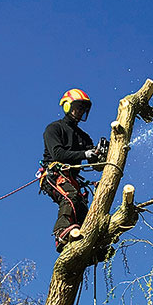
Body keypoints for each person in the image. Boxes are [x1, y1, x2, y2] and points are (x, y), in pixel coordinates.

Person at [40, 88, 103, 252]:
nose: (80, 111)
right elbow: (57, 153)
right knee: (70, 197)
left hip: (73, 180)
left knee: (83, 210)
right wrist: (85, 153)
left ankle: (91, 248)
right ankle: (61, 233)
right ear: (67, 105)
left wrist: (99, 154)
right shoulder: (54, 128)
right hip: (55, 175)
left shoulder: (84, 137)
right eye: (78, 106)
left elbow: (93, 161)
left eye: (83, 108)